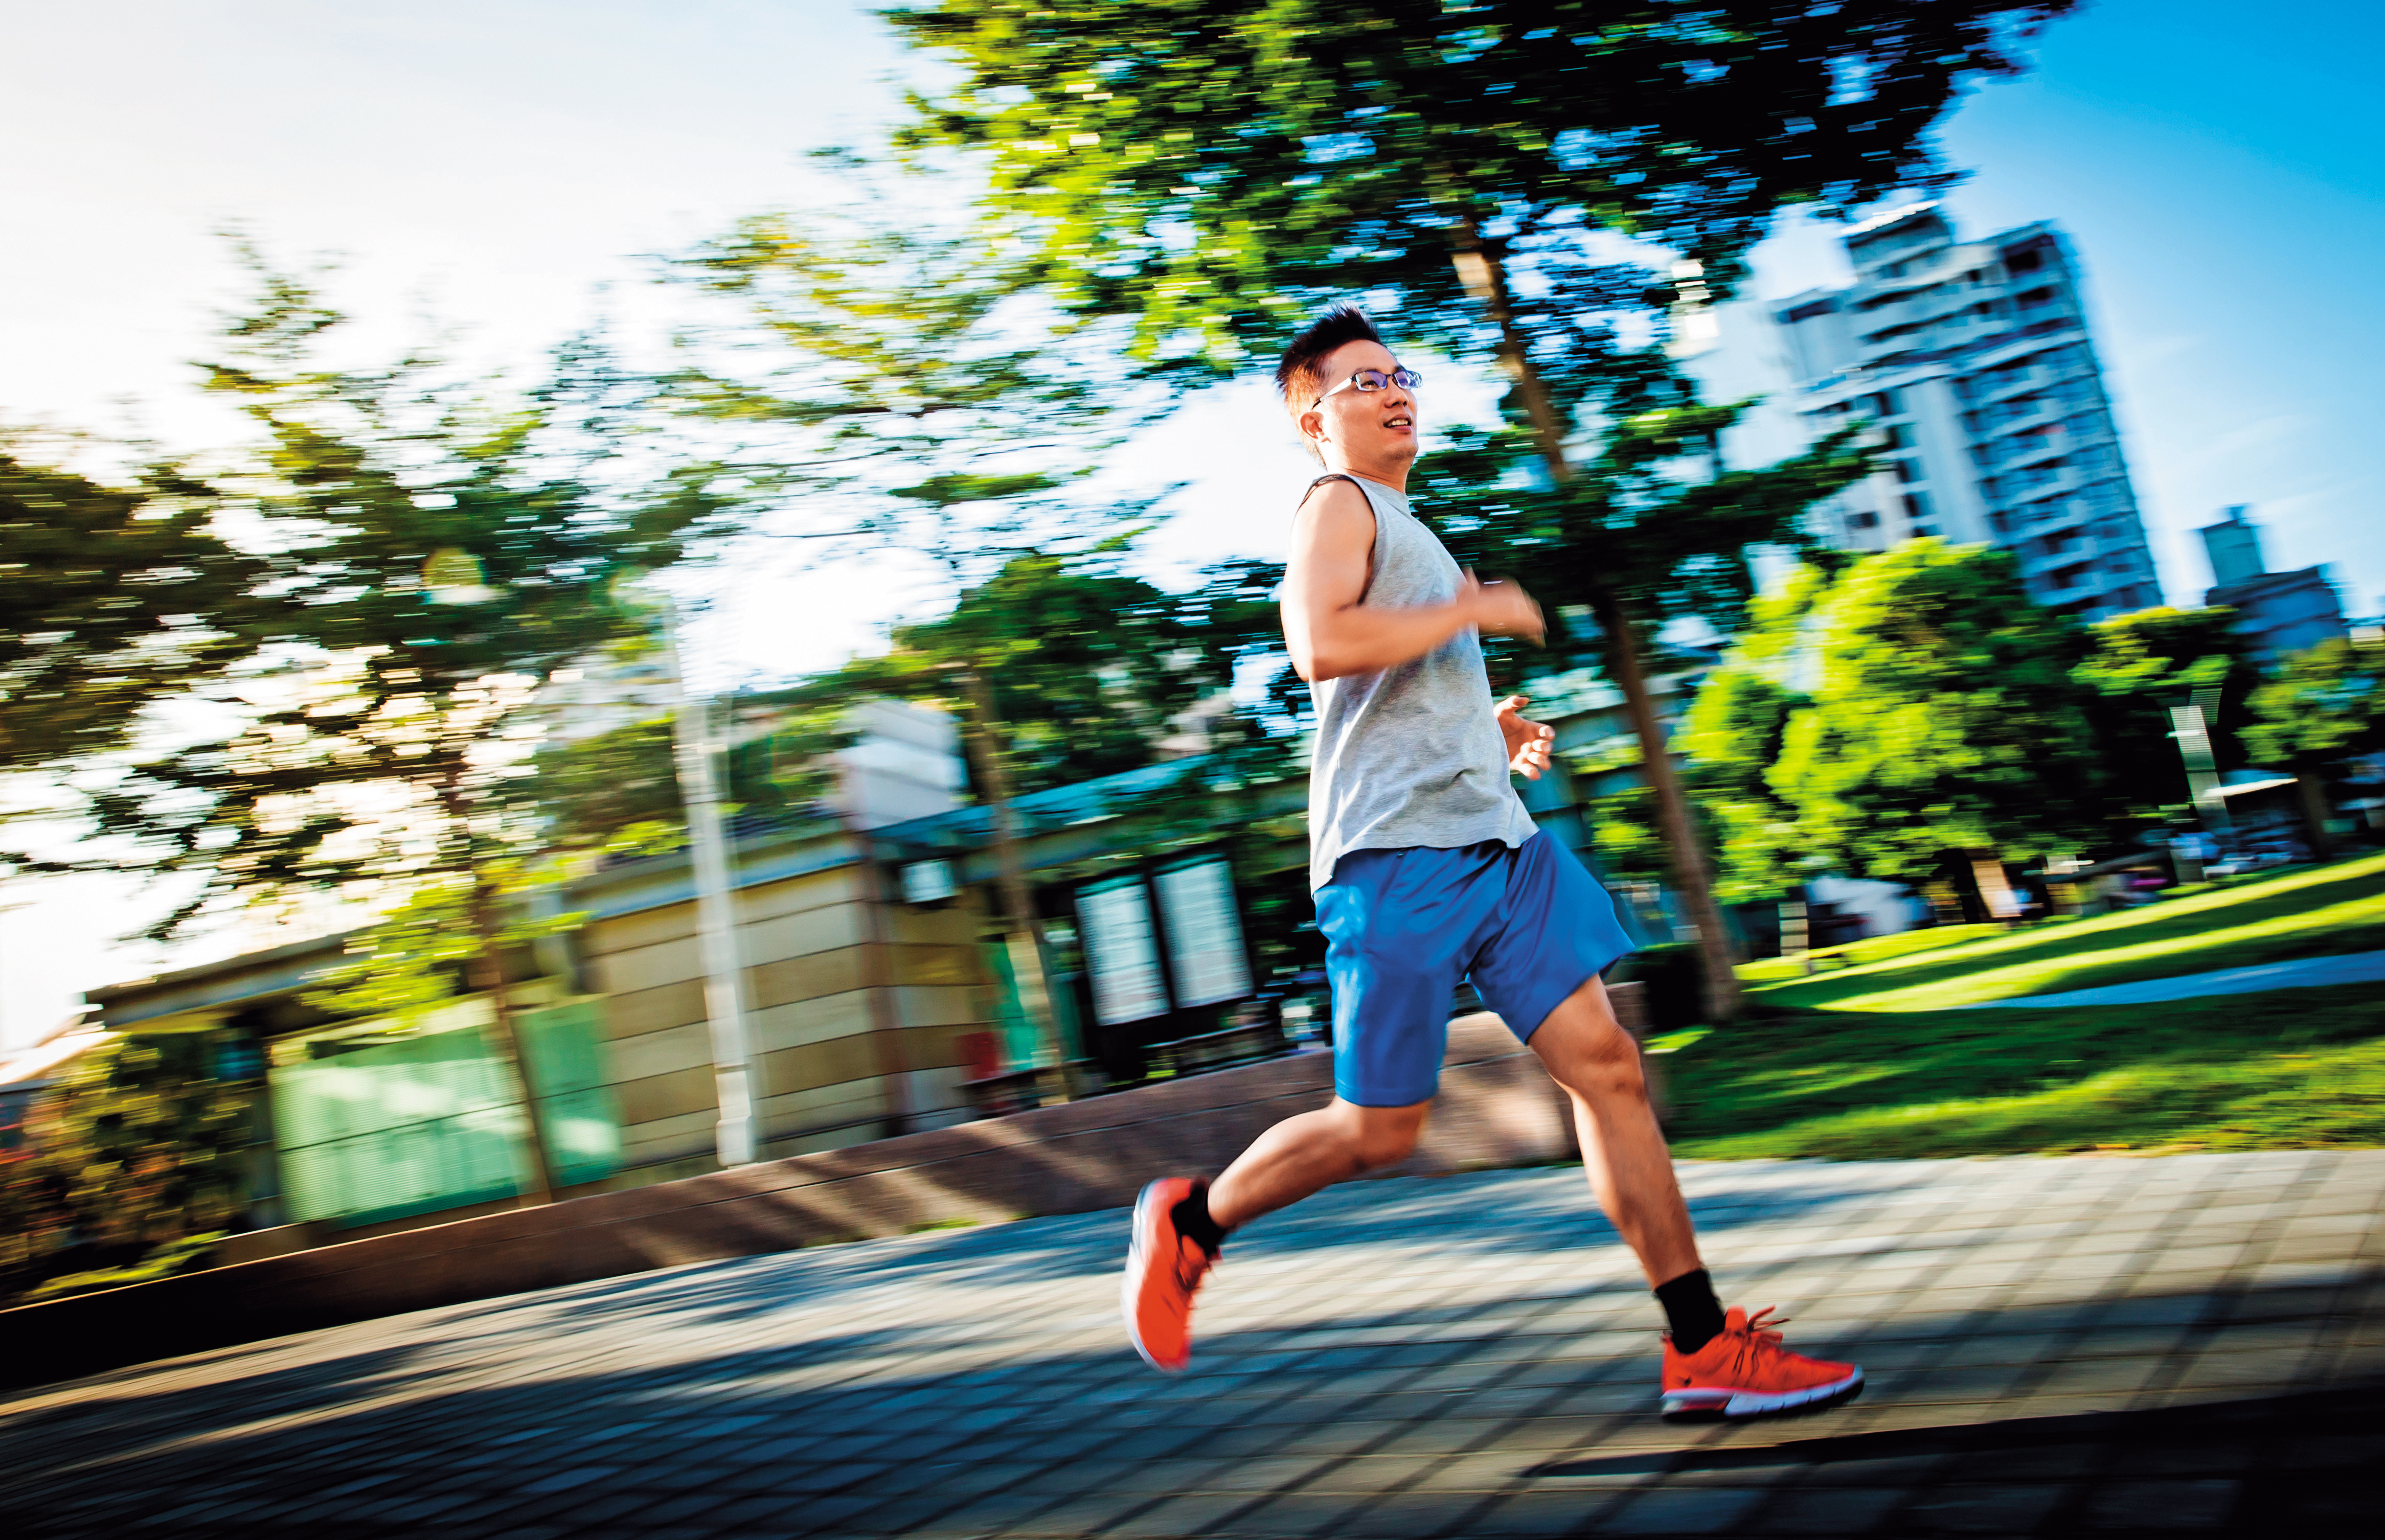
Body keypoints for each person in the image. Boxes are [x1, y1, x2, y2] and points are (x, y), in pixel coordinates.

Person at [1121, 304, 1862, 1421]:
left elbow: (1402, 678)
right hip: (1394, 858)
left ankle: (1701, 1342)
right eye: (1364, 381)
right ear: (1314, 418)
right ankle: (1191, 1220)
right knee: (1380, 1128)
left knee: (1607, 1068)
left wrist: (1488, 726)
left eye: (1400, 375)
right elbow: (1319, 644)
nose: (1394, 391)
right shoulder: (1335, 503)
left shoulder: (1410, 525)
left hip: (1497, 844)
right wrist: (1470, 609)